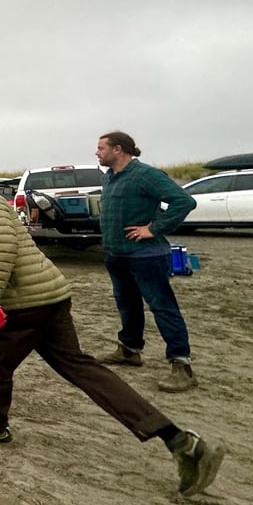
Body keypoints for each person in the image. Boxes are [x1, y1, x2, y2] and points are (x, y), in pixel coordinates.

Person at [0, 155, 223, 497]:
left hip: (22, 303)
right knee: (82, 369)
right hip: (48, 298)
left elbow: (2, 245)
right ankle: (177, 439)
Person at [95, 131, 200, 392]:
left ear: (118, 149)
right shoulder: (109, 177)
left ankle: (182, 365)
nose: (96, 152)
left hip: (146, 256)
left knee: (162, 307)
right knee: (128, 304)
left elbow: (184, 201)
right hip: (117, 255)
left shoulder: (145, 175)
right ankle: (130, 350)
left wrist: (153, 229)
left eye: (101, 148)